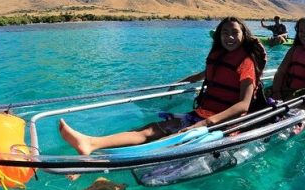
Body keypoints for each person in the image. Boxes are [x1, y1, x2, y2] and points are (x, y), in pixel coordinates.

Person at [59, 17, 267, 155]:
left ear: (243, 35)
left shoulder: (246, 63)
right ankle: (91, 144)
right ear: (219, 36)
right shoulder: (220, 57)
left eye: (234, 32)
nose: (229, 37)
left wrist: (206, 123)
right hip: (200, 114)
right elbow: (207, 75)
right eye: (224, 33)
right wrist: (182, 81)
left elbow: (243, 105)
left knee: (166, 140)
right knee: (148, 130)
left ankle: (94, 160)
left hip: (224, 123)